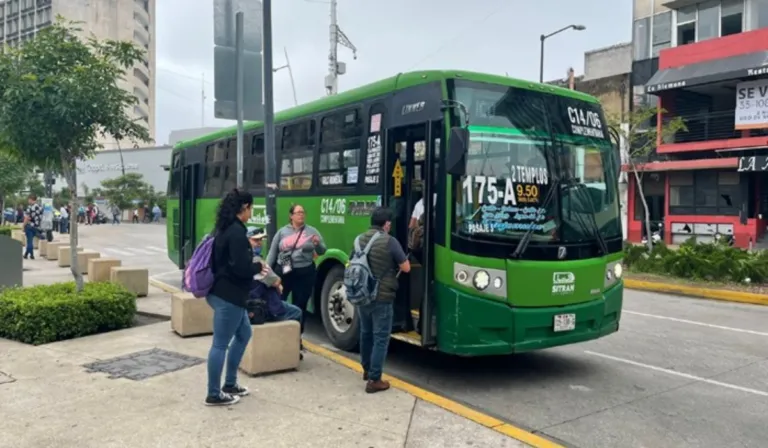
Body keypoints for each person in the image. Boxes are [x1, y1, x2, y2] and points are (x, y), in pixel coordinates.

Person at [205, 188, 261, 407]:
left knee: (244, 333)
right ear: (244, 207)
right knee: (220, 345)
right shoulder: (236, 233)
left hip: (225, 293)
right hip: (229, 296)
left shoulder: (225, 228)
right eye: (251, 208)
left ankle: (229, 383)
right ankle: (213, 393)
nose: (251, 212)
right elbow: (241, 268)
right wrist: (258, 266)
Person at [354, 207, 410, 394]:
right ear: (386, 224)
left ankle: (366, 370)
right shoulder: (389, 241)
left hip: (362, 294)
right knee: (380, 338)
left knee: (366, 333)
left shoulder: (359, 239)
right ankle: (374, 379)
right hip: (382, 296)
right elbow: (406, 267)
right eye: (389, 223)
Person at [266, 204, 326, 337]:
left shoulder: (312, 231)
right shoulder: (282, 232)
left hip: (304, 272)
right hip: (285, 270)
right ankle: (278, 333)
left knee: (300, 305)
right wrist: (267, 274)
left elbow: (322, 250)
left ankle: (296, 337)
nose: (301, 215)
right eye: (298, 212)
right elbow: (272, 254)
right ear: (291, 216)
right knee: (278, 301)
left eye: (303, 212)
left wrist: (317, 244)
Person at [245, 228, 303, 344]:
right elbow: (275, 280)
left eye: (260, 240)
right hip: (263, 305)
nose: (259, 243)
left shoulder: (241, 257)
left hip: (253, 302)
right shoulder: (256, 260)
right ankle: (293, 345)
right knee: (297, 312)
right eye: (255, 240)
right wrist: (277, 283)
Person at [23, 194, 42, 259]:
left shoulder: (30, 207)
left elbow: (26, 218)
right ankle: (30, 255)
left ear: (31, 199)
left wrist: (23, 226)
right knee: (30, 241)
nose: (28, 201)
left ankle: (28, 254)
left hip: (29, 226)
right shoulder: (39, 207)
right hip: (36, 227)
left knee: (29, 241)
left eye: (29, 199)